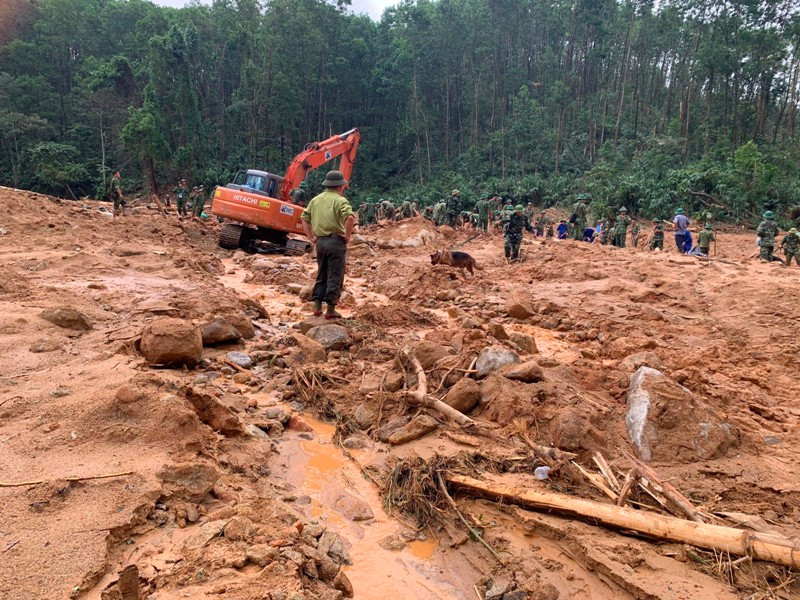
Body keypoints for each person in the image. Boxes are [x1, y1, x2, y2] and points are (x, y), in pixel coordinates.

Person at [300, 170, 355, 320]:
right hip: (336, 242)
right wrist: (348, 236)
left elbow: (304, 218)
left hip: (321, 243)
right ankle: (330, 310)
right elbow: (350, 218)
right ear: (340, 186)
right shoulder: (340, 200)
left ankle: (317, 308)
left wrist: (311, 237)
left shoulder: (315, 200)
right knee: (335, 276)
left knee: (321, 274)